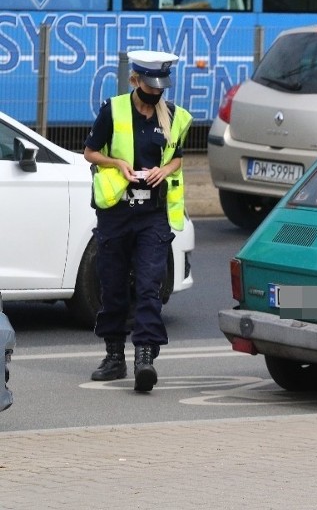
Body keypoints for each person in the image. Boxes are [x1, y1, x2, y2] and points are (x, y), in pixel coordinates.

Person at [84, 50, 193, 393]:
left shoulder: (173, 115)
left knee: (149, 287)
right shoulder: (114, 109)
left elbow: (177, 158)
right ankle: (114, 357)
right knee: (113, 286)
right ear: (135, 81)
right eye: (150, 85)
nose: (156, 91)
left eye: (161, 85)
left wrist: (165, 168)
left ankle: (144, 358)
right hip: (116, 212)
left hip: (152, 215)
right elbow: (89, 151)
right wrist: (117, 164)